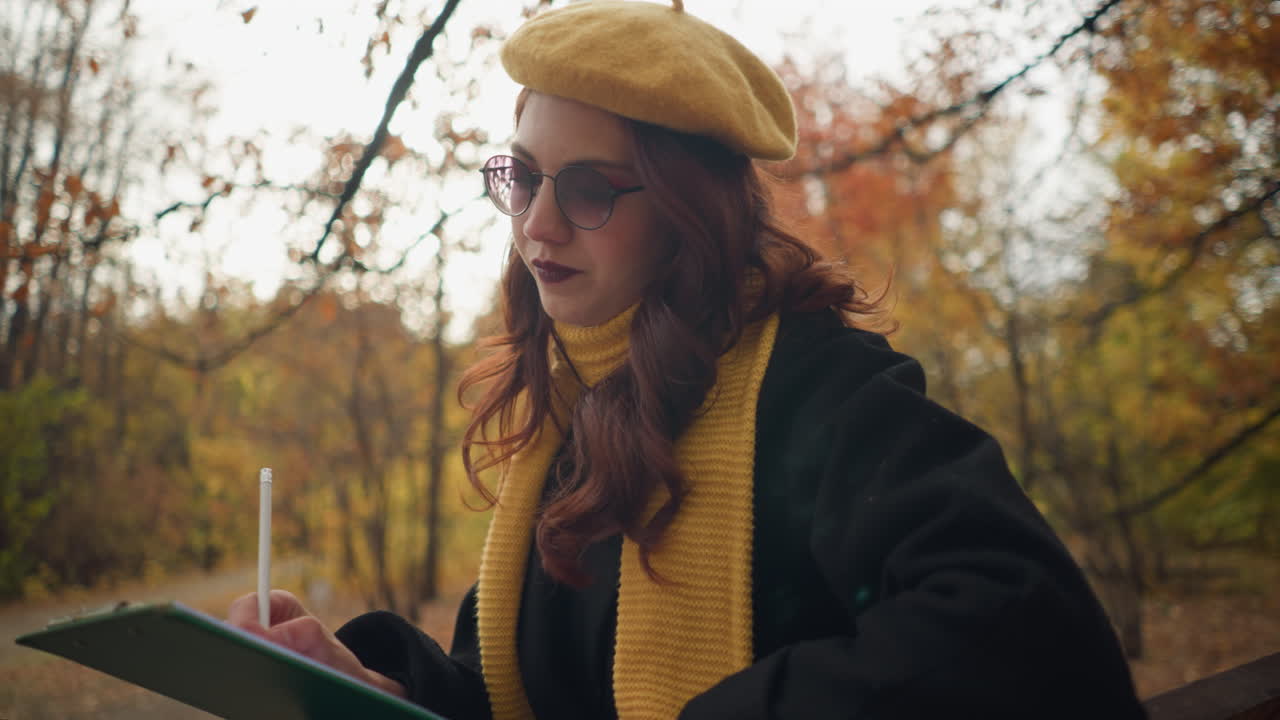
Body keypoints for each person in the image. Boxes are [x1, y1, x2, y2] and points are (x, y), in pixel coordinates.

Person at [229, 1, 1148, 718]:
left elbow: (1029, 626)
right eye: (524, 177)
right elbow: (529, 698)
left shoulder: (821, 391)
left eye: (589, 189)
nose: (537, 225)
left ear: (688, 211)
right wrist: (373, 689)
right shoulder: (563, 423)